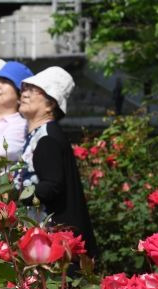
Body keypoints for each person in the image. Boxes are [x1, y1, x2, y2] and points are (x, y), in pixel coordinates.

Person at [16, 66, 98, 256]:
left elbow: (51, 186)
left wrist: (16, 196)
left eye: (34, 90)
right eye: (25, 88)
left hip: (54, 238)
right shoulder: (40, 134)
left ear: (50, 104)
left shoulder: (48, 138)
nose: (25, 94)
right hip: (44, 233)